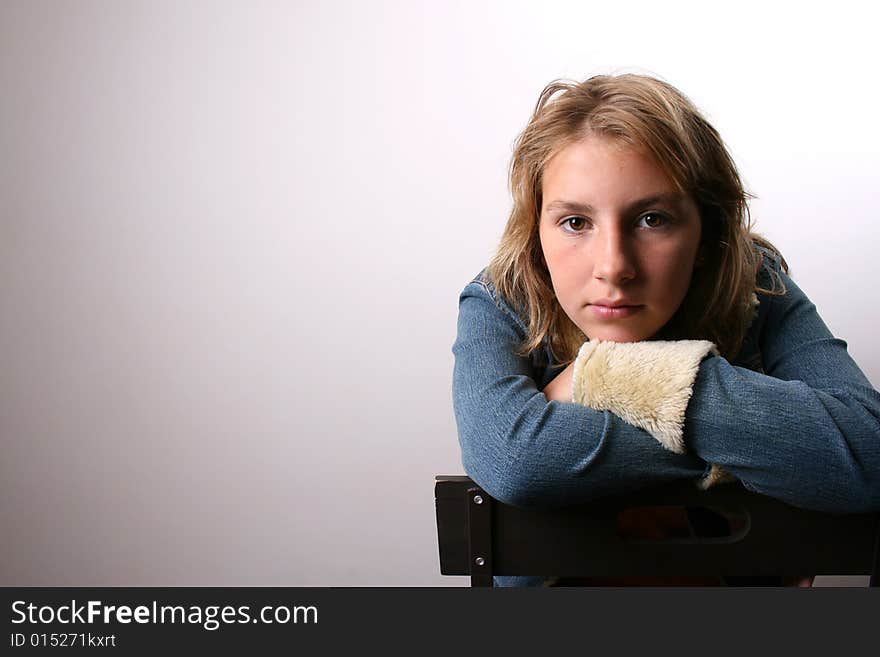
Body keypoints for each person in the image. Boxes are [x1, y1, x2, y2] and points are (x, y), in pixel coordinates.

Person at [451, 73, 880, 587]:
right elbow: (515, 460)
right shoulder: (501, 299)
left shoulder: (756, 285)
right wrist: (771, 452)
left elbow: (869, 451)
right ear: (535, 229)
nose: (613, 267)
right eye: (575, 223)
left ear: (707, 233)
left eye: (652, 219)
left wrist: (614, 377)